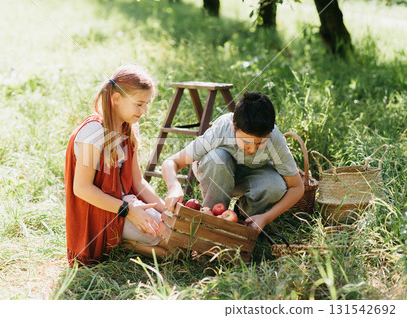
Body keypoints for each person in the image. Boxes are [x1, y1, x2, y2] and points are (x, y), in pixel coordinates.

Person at [64, 64, 170, 267]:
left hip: (127, 204)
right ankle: (124, 244)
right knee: (171, 250)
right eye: (139, 104)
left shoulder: (128, 128)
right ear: (116, 99)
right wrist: (128, 210)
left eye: (146, 104)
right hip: (103, 212)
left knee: (176, 239)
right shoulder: (93, 132)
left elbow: (138, 182)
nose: (144, 111)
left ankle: (122, 241)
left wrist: (165, 211)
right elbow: (82, 189)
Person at [162, 92, 304, 236]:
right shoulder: (221, 129)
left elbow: (297, 187)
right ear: (234, 127)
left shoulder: (275, 139)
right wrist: (174, 186)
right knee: (216, 158)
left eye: (260, 143)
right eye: (247, 142)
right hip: (217, 172)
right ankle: (210, 222)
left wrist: (266, 218)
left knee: (276, 185)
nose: (252, 149)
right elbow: (171, 162)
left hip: (251, 177)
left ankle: (243, 221)